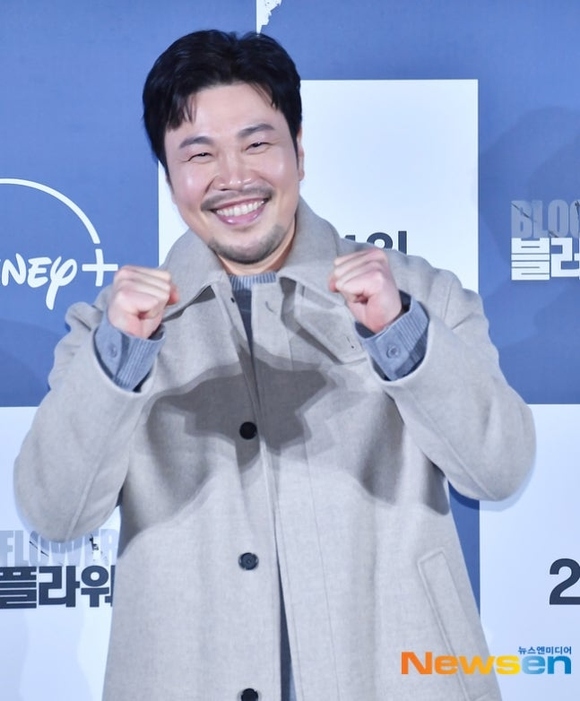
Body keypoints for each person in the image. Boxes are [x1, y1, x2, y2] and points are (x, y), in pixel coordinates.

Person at [14, 29, 534, 701]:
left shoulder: (419, 296)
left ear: (299, 151)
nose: (233, 177)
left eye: (257, 144)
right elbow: (55, 514)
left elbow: (499, 470)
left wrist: (400, 334)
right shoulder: (108, 331)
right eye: (199, 154)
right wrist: (120, 362)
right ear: (169, 178)